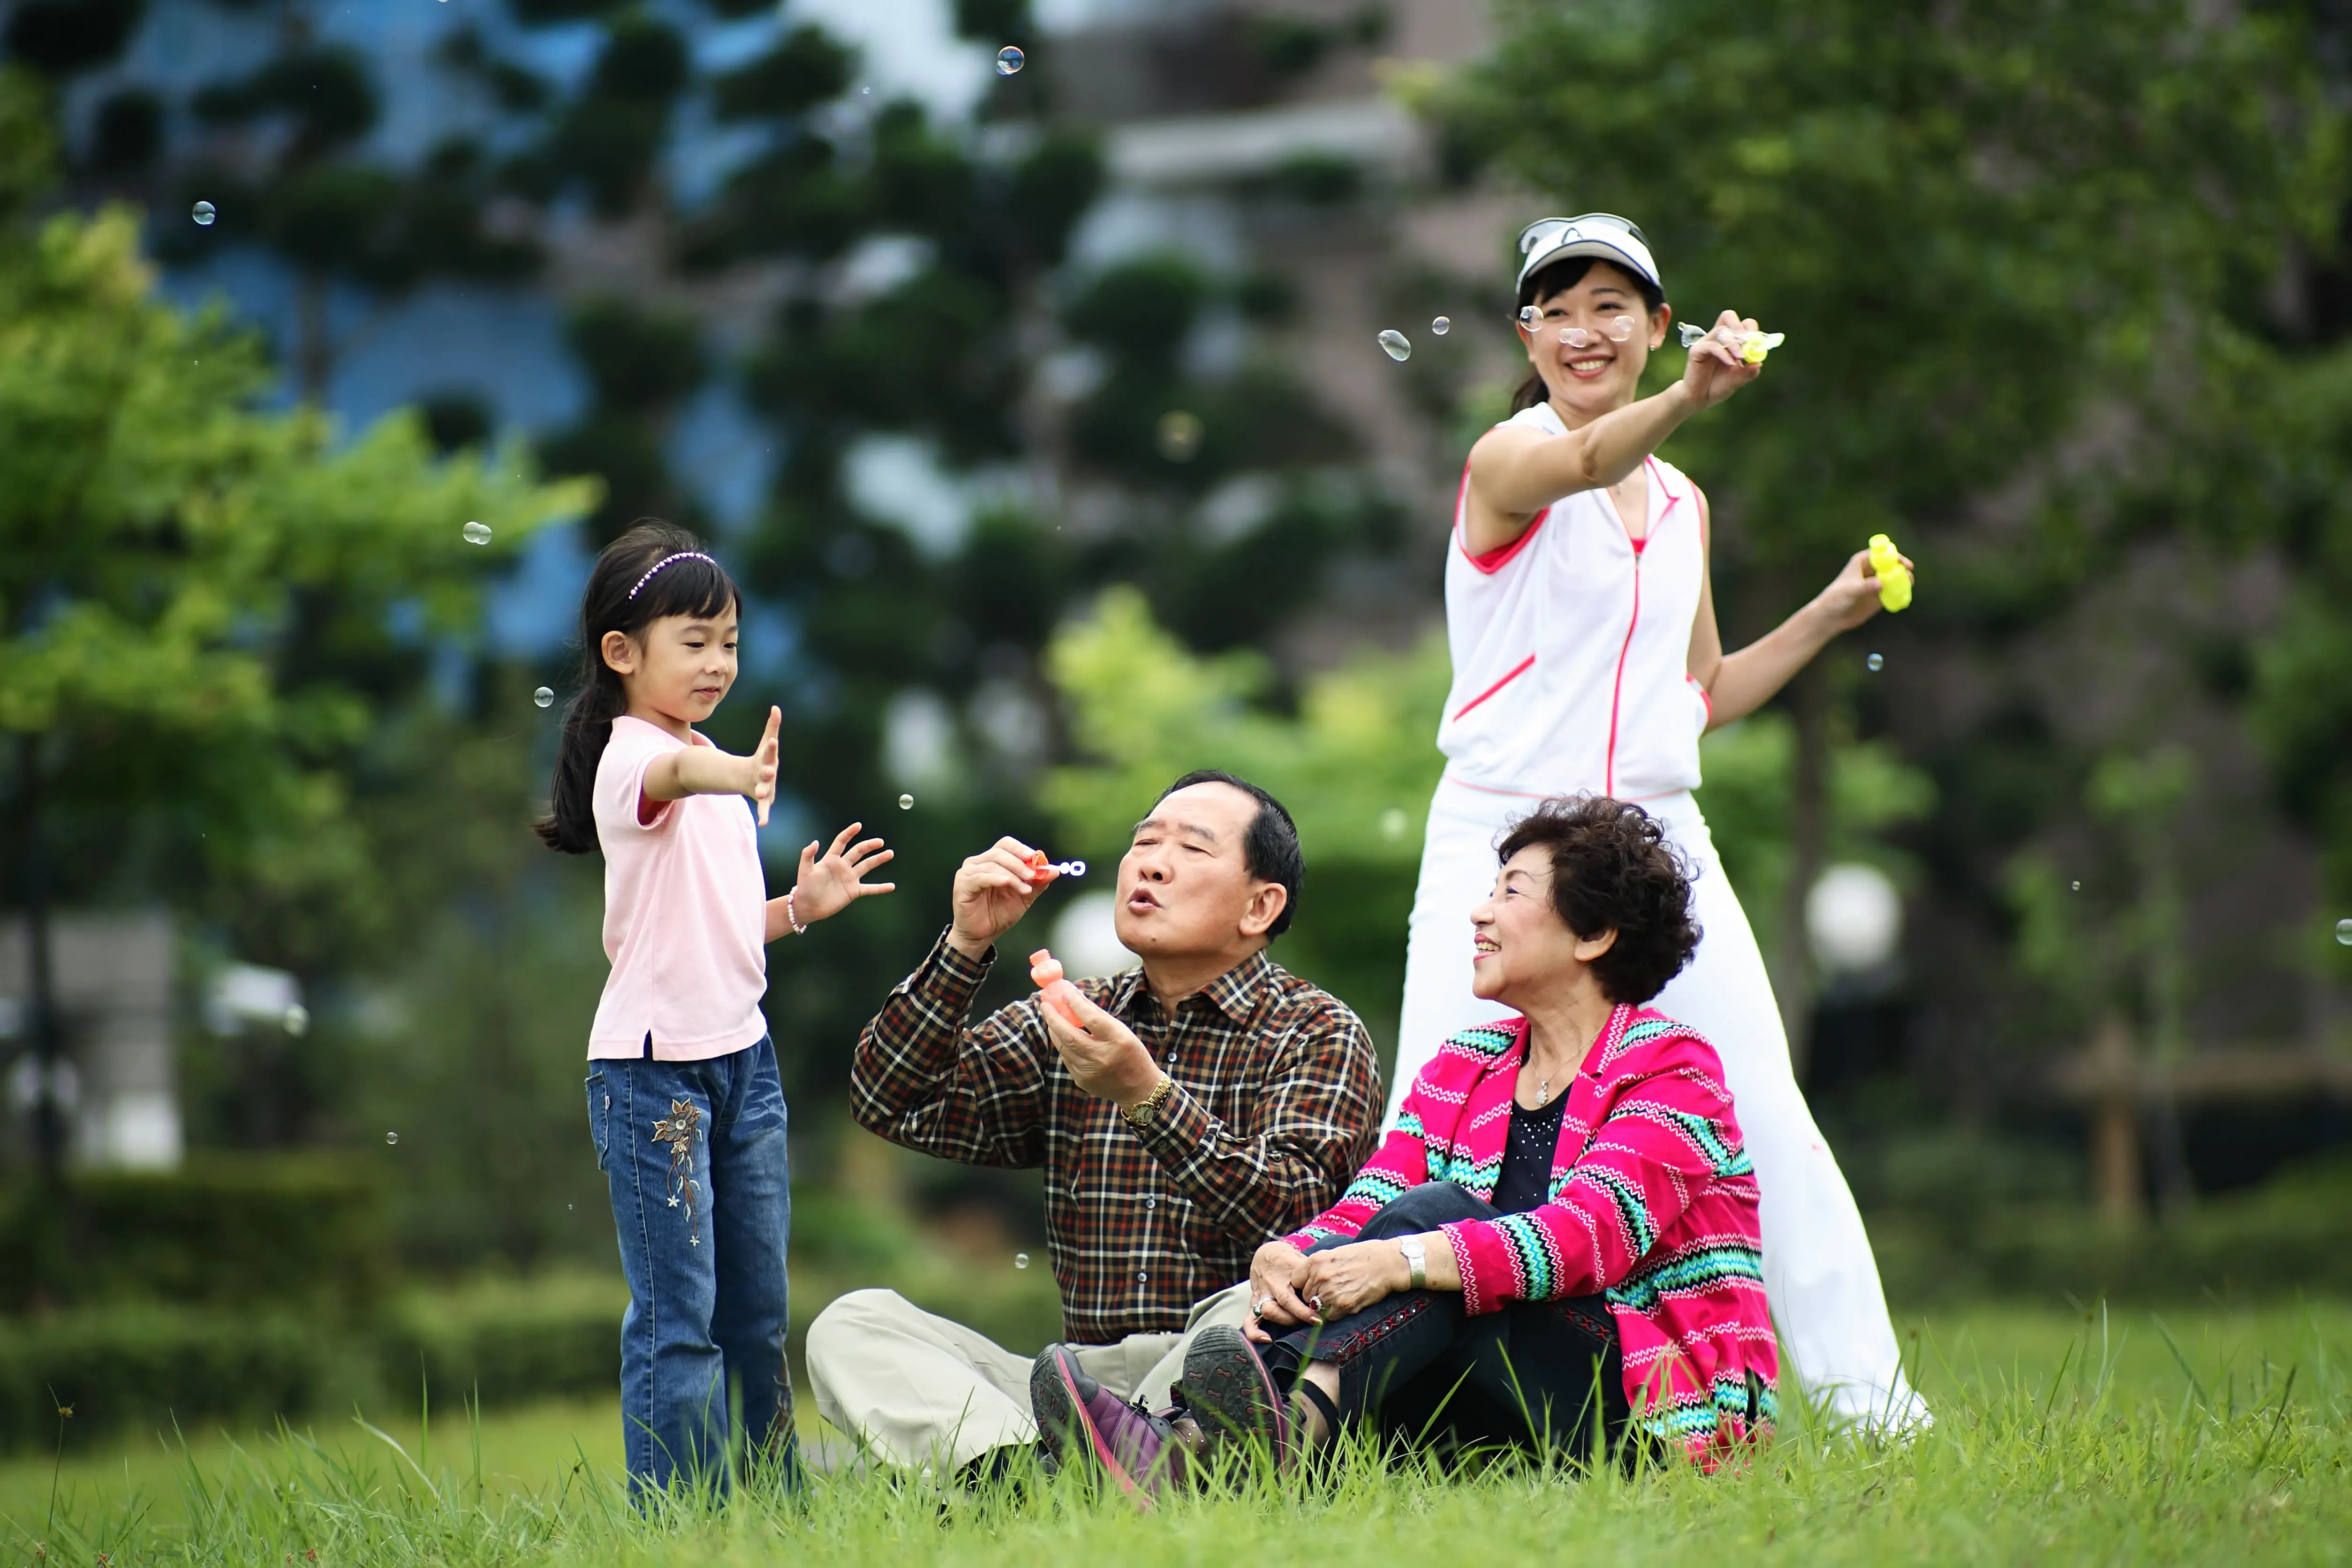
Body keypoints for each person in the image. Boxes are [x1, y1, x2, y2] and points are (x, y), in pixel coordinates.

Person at [1389, 213, 1924, 1427]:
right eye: (1558, 308)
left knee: (1758, 1107)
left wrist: (1828, 614)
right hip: (1500, 829)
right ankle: (1383, 1397)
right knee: (1436, 1112)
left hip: (1654, 844)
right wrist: (1687, 396)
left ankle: (1873, 1408)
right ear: (1526, 332)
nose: (1584, 330)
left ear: (1656, 323)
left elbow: (1702, 691)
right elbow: (1580, 462)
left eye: (1610, 305)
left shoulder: (1678, 499)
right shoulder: (1507, 458)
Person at [1051, 795, 1772, 1493]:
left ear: (1593, 934)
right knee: (1423, 1236)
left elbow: (1587, 1237)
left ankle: (1218, 1437)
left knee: (1437, 1225)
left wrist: (1403, 1260)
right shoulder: (1467, 1064)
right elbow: (1373, 1201)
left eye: (1511, 892)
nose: (1479, 911)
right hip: (1490, 1391)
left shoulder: (1673, 1068)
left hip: (1651, 1409)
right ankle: (1205, 1448)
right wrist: (1294, 1252)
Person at [806, 770, 1383, 1483]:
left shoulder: (1317, 1029)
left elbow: (1296, 1214)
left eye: (1192, 849)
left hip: (1217, 1363)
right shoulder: (1075, 1015)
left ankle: (1107, 1464)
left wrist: (1145, 1094)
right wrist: (964, 945)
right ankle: (1029, 1474)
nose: (1149, 861)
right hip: (1077, 1383)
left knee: (1256, 1303)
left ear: (1260, 905)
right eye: (1143, 842)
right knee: (854, 1324)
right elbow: (892, 1099)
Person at [537, 522, 896, 1498]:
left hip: (745, 1065)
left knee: (754, 1312)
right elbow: (667, 777)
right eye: (692, 641)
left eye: (729, 641)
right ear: (622, 653)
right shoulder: (631, 759)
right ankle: (680, 1520)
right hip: (654, 1074)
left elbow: (718, 930)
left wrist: (797, 910)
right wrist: (730, 773)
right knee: (677, 1317)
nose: (718, 662)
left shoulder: (706, 761)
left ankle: (772, 1505)